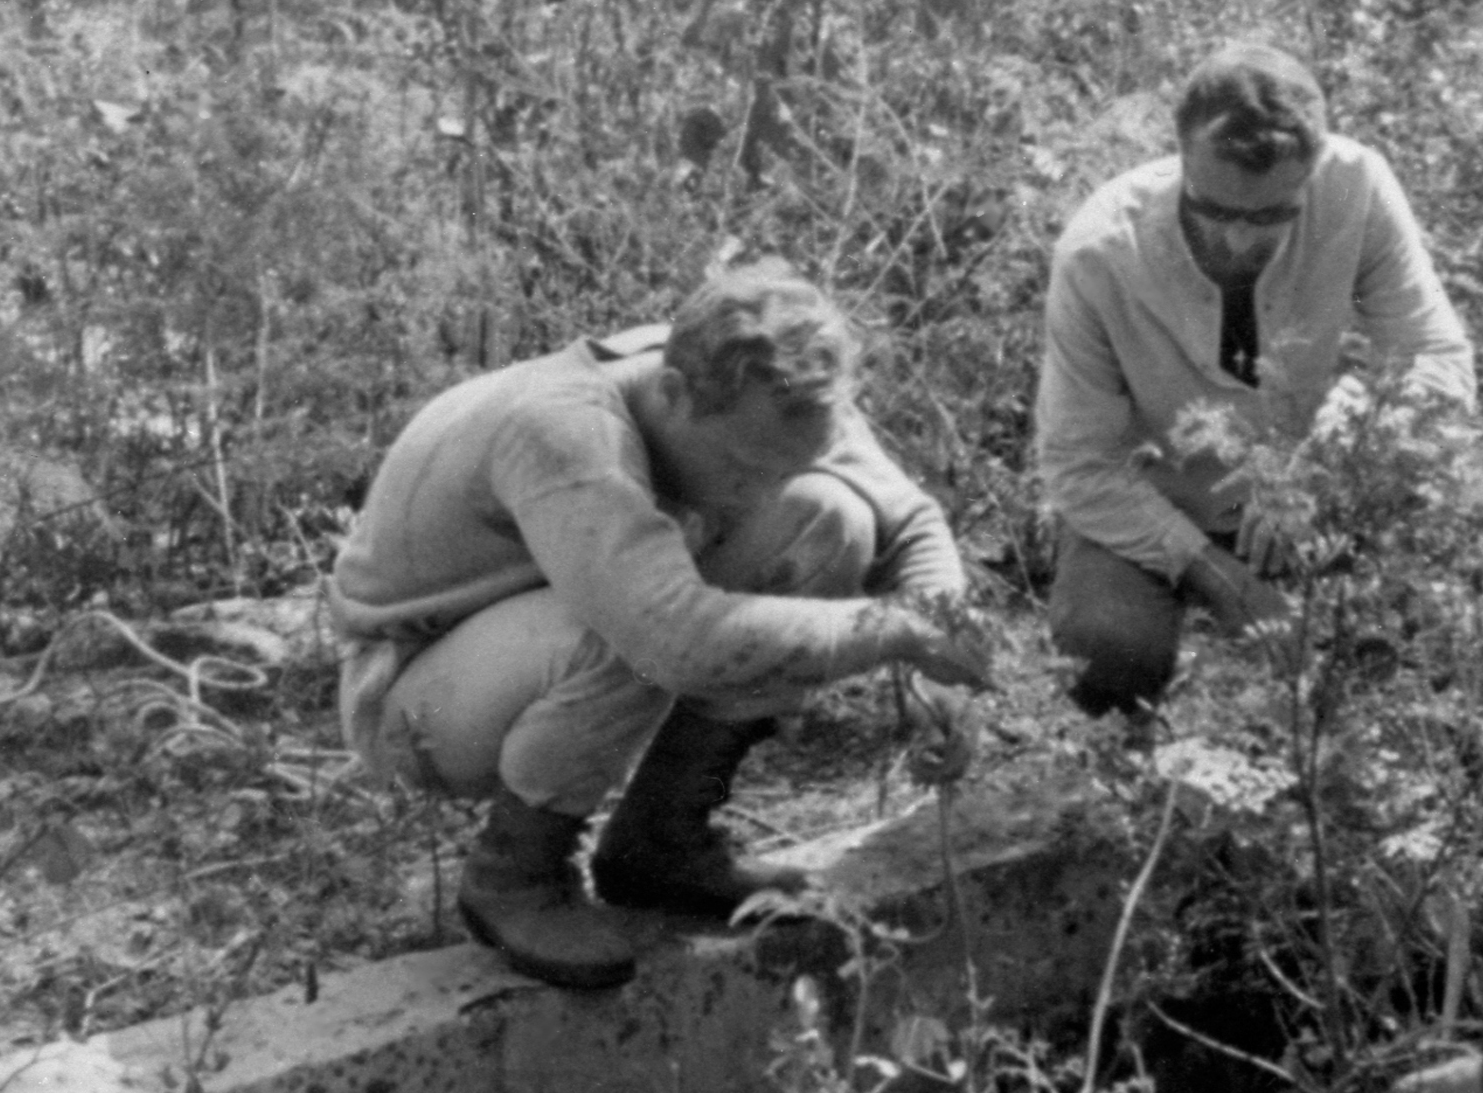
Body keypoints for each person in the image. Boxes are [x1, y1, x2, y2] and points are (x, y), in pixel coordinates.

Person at [327, 259, 990, 990]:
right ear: (673, 395)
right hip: (414, 693)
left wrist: (941, 673)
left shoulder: (775, 390)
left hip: (543, 637)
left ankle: (660, 842)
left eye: (780, 467)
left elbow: (910, 521)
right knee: (624, 636)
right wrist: (891, 630)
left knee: (832, 521)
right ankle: (516, 876)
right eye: (744, 468)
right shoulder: (563, 429)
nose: (766, 489)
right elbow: (674, 640)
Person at [1035, 41, 1474, 716]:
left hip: (1305, 499)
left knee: (1443, 608)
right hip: (1153, 499)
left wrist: (1328, 456)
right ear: (1179, 158)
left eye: (1271, 216)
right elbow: (1078, 465)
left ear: (1313, 171)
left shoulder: (1355, 187)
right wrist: (1219, 578)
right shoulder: (1100, 253)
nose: (1240, 240)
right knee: (1108, 651)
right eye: (1217, 211)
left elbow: (1439, 361)